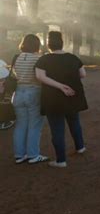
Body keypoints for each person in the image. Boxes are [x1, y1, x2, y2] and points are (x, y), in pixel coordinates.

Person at [35, 31, 88, 168]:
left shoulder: (43, 59)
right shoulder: (73, 58)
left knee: (57, 128)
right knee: (74, 122)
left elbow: (40, 77)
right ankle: (80, 147)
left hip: (53, 98)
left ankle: (61, 160)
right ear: (62, 42)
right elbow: (83, 74)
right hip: (72, 95)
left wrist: (59, 85)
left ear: (49, 44)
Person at [12, 34, 49, 164]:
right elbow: (41, 77)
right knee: (35, 125)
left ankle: (19, 155)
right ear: (36, 45)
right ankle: (33, 155)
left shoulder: (16, 57)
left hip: (18, 92)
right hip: (34, 92)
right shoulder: (38, 59)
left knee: (21, 125)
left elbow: (15, 75)